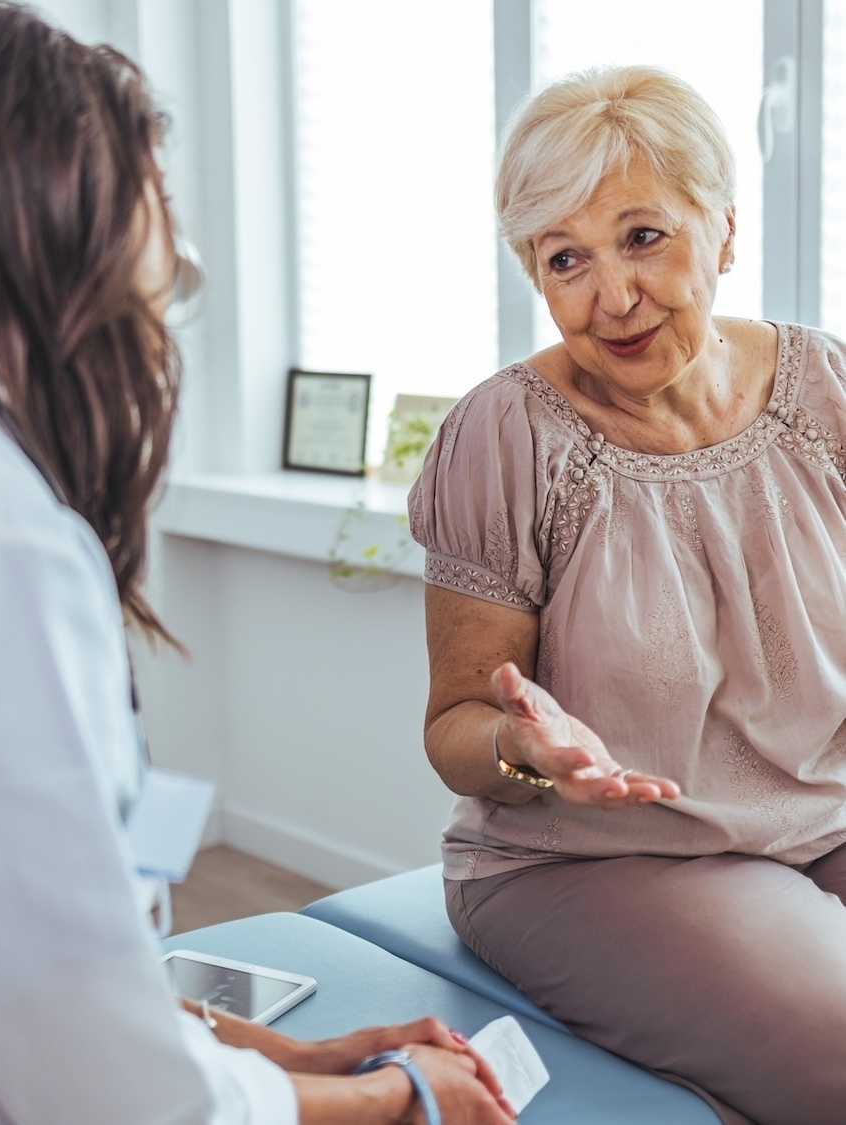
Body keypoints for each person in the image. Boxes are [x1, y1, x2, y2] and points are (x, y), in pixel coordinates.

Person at [0, 4, 517, 1123]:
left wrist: (280, 1056)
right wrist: (398, 1098)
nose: (172, 274)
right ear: (72, 224)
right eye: (158, 206)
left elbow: (28, 964)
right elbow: (109, 1091)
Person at [410, 63, 846, 1125]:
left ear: (725, 230)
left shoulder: (826, 390)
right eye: (568, 260)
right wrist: (529, 752)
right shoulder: (505, 436)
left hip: (824, 816)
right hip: (597, 859)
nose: (612, 298)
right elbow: (456, 725)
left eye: (644, 238)